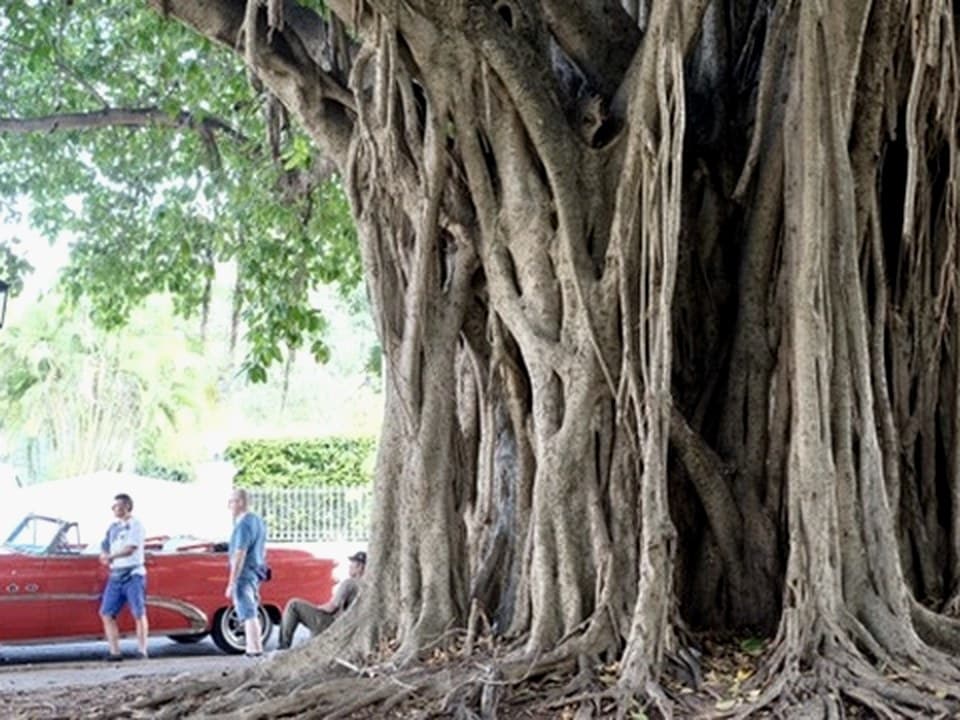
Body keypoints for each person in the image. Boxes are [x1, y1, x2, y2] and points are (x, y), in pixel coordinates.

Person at [277, 550, 366, 650]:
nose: (349, 566)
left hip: (332, 625)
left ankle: (283, 646)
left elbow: (332, 607)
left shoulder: (349, 583)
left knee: (293, 605)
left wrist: (316, 609)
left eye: (352, 564)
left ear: (360, 567)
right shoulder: (367, 586)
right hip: (347, 627)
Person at [98, 493, 148, 661]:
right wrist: (104, 554)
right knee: (106, 612)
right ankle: (115, 651)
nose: (115, 510)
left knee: (138, 612)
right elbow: (104, 544)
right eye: (113, 507)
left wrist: (112, 557)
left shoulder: (136, 525)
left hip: (133, 572)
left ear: (127, 506)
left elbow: (131, 548)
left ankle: (142, 649)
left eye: (118, 506)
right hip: (116, 573)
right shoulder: (113, 527)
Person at [226, 487, 268, 657]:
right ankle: (255, 648)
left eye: (231, 502)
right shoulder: (257, 521)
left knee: (247, 611)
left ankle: (253, 649)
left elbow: (240, 553)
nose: (229, 506)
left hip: (244, 573)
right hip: (255, 570)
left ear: (240, 502)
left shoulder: (243, 525)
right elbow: (262, 548)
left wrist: (231, 581)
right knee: (252, 609)